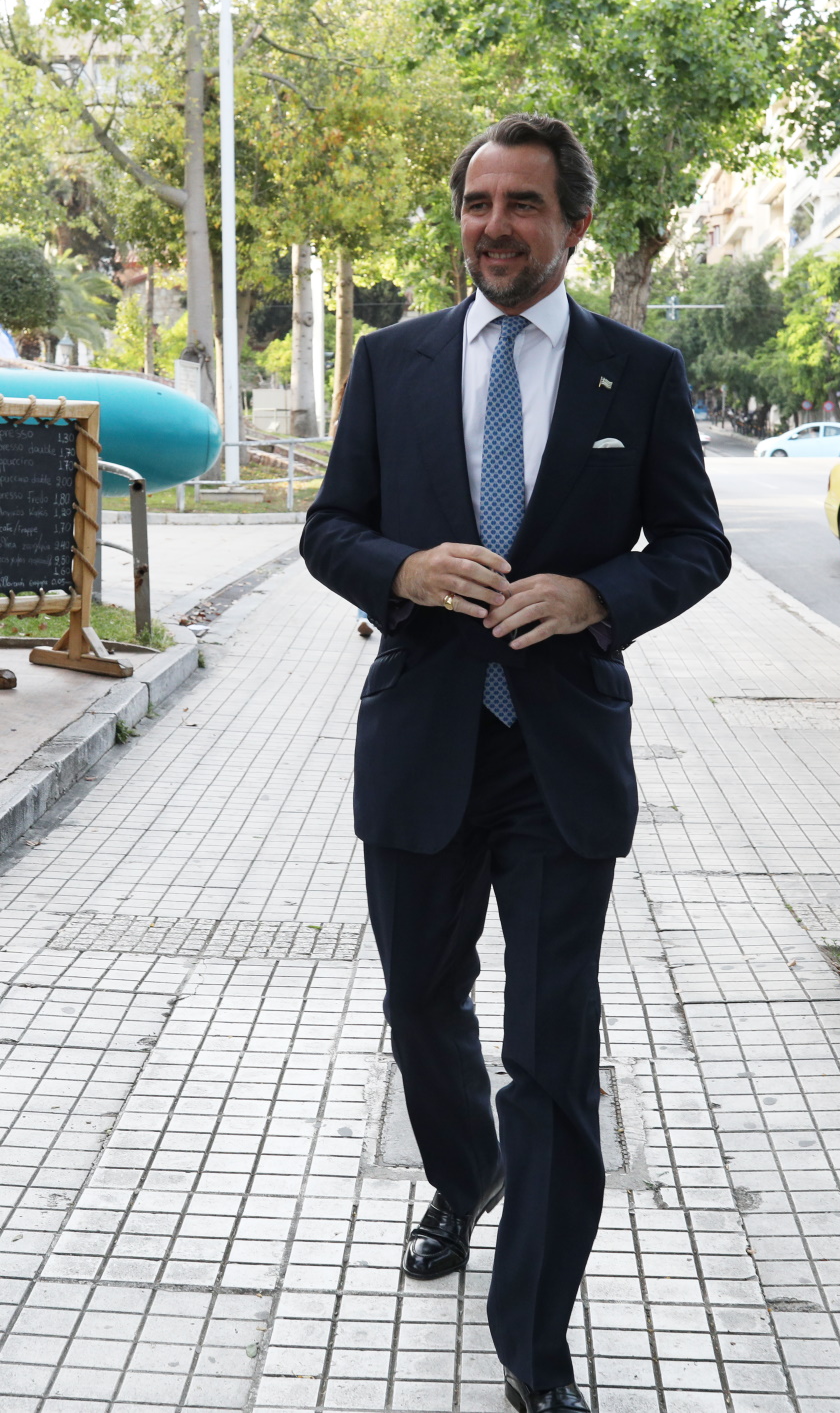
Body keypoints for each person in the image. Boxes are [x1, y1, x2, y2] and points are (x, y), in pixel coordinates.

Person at [300, 113, 731, 1413]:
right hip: (421, 739)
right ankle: (463, 1172)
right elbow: (329, 528)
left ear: (574, 225)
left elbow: (696, 545)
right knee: (419, 1002)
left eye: (522, 204)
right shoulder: (392, 360)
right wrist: (402, 568)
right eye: (477, 202)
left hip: (559, 758)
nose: (493, 226)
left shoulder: (636, 374)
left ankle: (533, 1346)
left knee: (551, 1051)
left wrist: (600, 595)